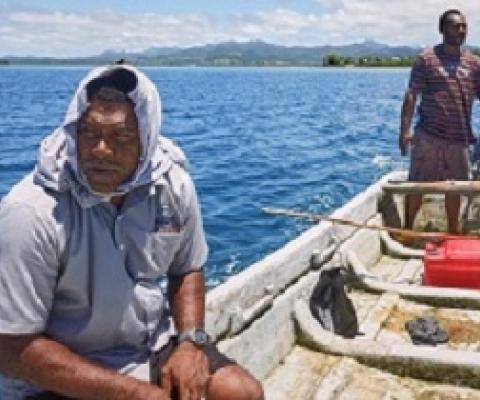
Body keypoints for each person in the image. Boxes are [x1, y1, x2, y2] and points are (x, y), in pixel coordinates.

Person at [0, 65, 264, 400]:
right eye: (88, 133)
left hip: (146, 347)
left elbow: (187, 269)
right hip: (52, 378)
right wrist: (133, 393)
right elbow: (10, 347)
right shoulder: (30, 213)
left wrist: (190, 342)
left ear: (148, 139)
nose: (100, 150)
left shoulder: (173, 185)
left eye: (121, 137)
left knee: (240, 392)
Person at [399, 9, 480, 234]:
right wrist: (404, 132)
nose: (461, 30)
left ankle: (453, 232)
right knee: (417, 185)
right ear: (443, 29)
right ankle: (407, 231)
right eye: (456, 26)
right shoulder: (426, 59)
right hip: (428, 136)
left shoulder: (474, 64)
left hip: (459, 138)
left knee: (454, 188)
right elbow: (411, 95)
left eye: (464, 26)